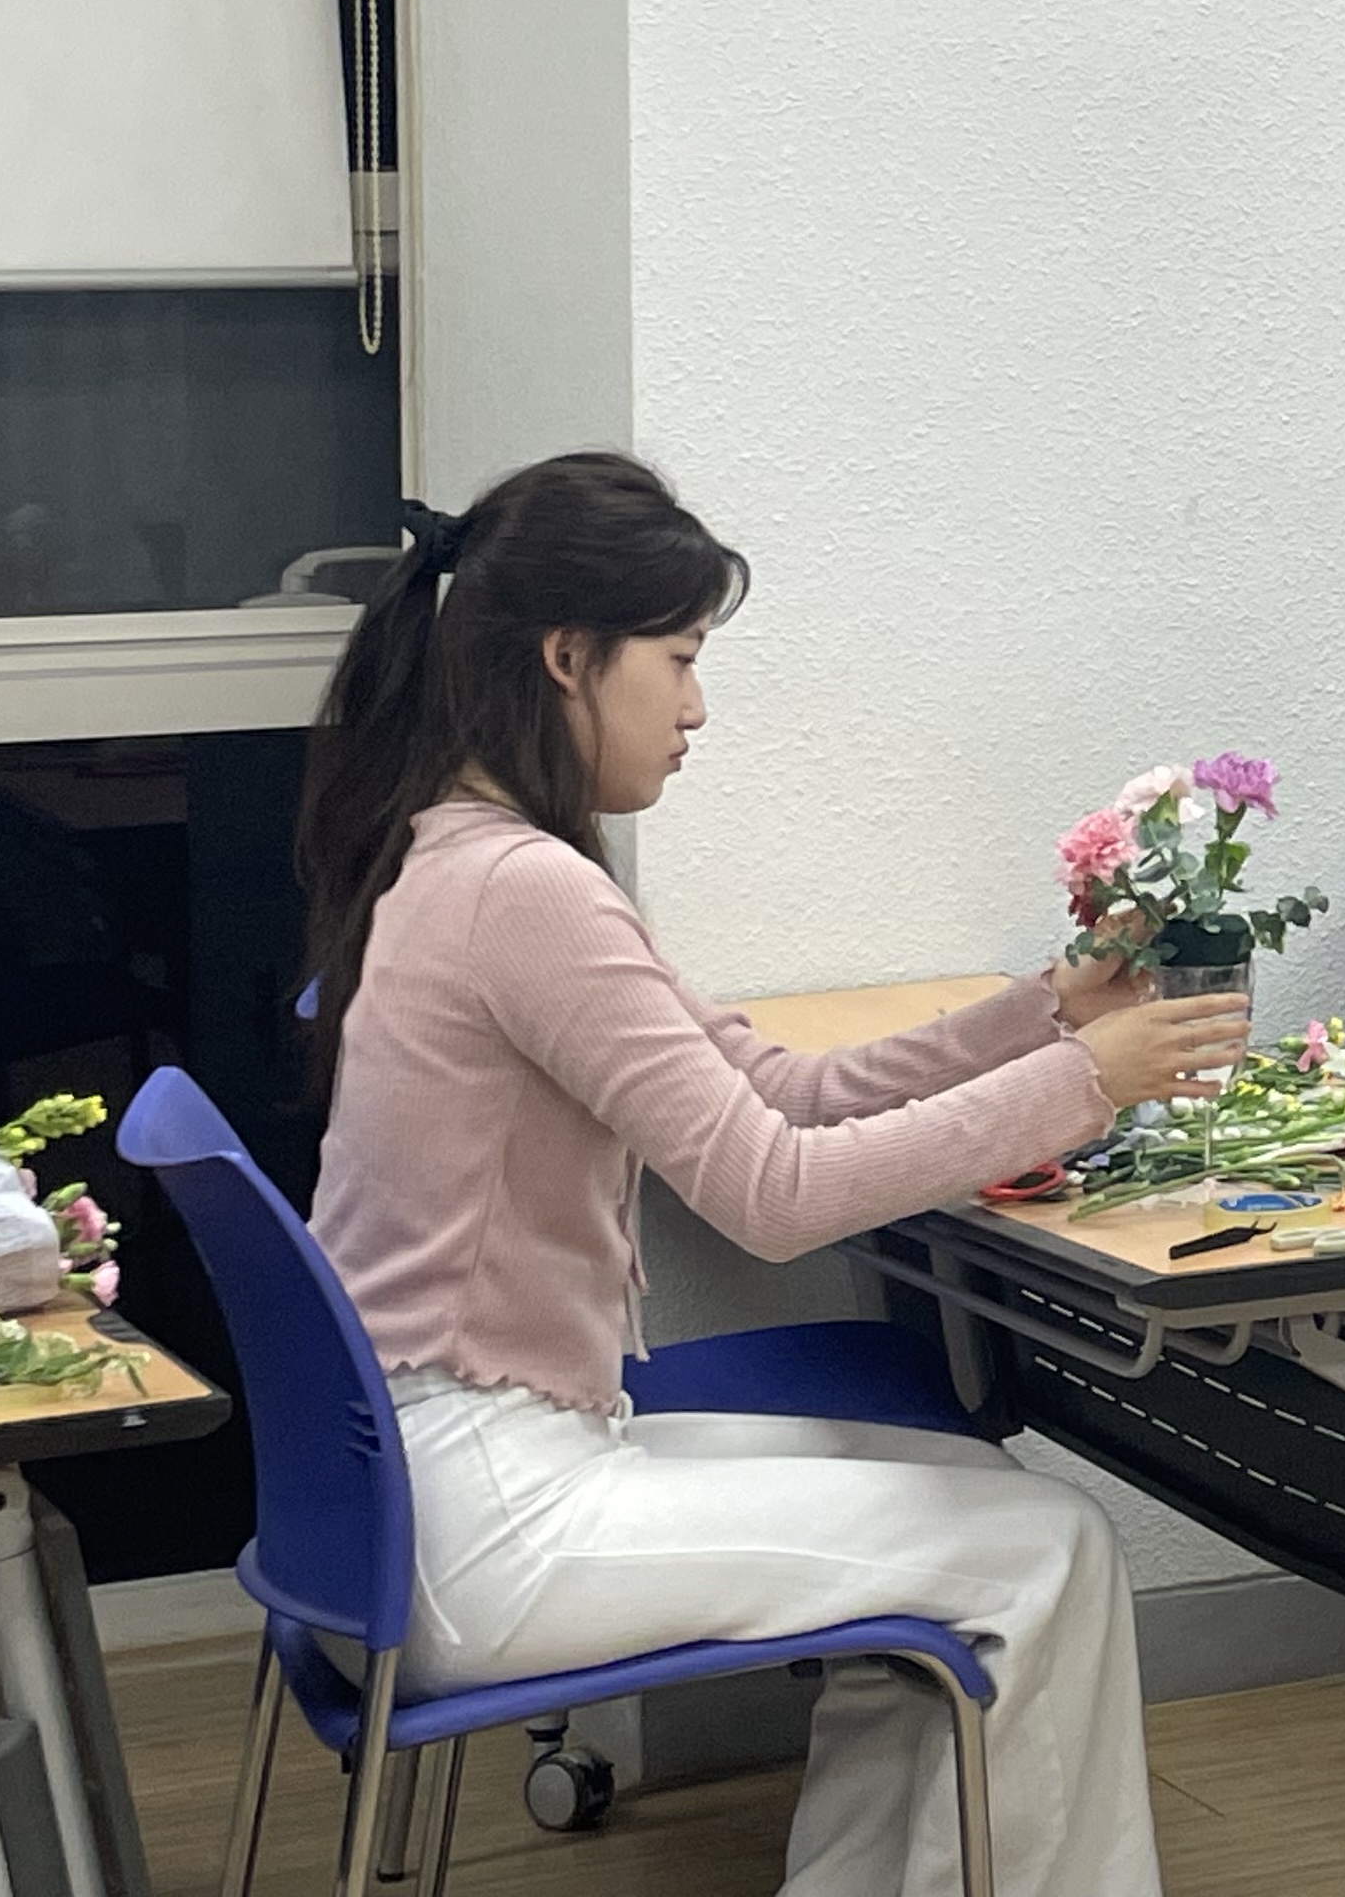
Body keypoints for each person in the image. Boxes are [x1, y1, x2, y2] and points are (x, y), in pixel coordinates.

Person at [297, 451, 1248, 1897]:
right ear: (569, 657)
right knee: (1044, 1548)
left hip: (423, 1490)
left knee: (970, 1503)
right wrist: (1086, 1083)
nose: (696, 708)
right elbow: (777, 1196)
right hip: (484, 1513)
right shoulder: (526, 889)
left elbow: (778, 1092)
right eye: (678, 660)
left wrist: (1047, 1011)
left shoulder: (463, 851)